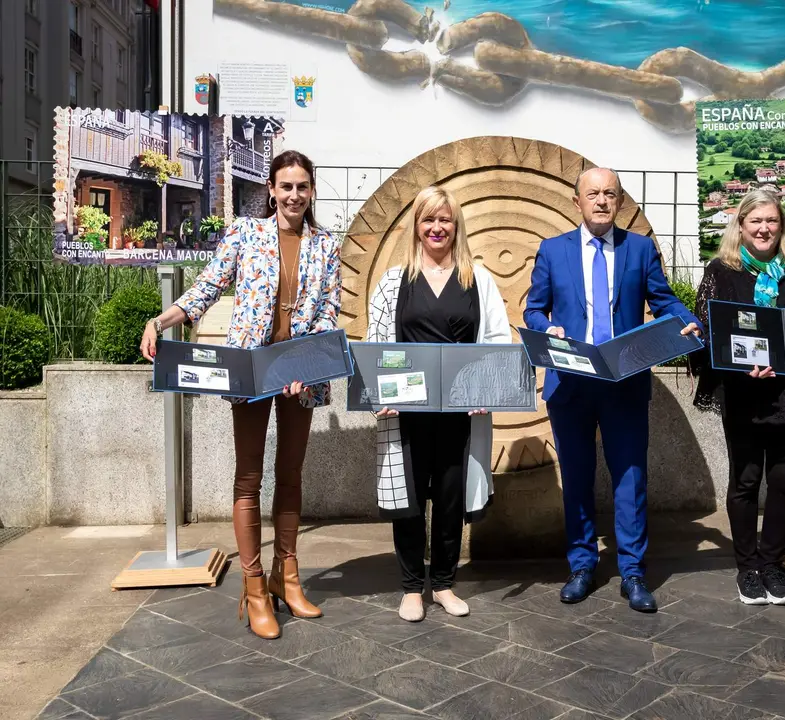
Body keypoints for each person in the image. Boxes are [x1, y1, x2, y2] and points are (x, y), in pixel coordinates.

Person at [139, 150, 341, 639]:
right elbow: (210, 286)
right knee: (248, 477)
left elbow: (329, 311)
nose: (294, 195)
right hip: (249, 371)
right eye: (286, 186)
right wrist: (162, 319)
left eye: (303, 187)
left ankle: (286, 577)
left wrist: (304, 365)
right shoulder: (245, 234)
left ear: (312, 191)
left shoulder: (326, 245)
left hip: (299, 374)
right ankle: (253, 589)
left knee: (290, 473)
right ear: (271, 190)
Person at [524, 167, 701, 613]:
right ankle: (582, 566)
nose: (601, 201)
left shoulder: (639, 249)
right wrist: (549, 327)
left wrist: (687, 318)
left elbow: (661, 299)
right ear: (577, 201)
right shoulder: (552, 250)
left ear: (619, 202)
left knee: (630, 479)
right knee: (577, 479)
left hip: (624, 381)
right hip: (571, 382)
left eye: (610, 194)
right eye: (593, 194)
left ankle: (634, 573)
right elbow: (534, 308)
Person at [366, 185, 512, 623]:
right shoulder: (394, 281)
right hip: (406, 413)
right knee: (409, 500)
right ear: (416, 226)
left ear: (456, 226)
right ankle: (412, 587)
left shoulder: (477, 280)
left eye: (444, 220)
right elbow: (378, 343)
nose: (436, 228)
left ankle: (444, 583)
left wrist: (484, 390)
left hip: (459, 413)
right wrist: (381, 396)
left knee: (449, 499)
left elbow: (496, 341)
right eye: (428, 219)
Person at [691, 189, 785, 606]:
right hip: (746, 393)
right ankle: (748, 569)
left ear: (781, 224)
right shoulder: (722, 270)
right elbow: (706, 334)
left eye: (771, 221)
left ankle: (772, 566)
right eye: (755, 221)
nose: (764, 228)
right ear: (741, 226)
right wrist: (736, 365)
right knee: (746, 481)